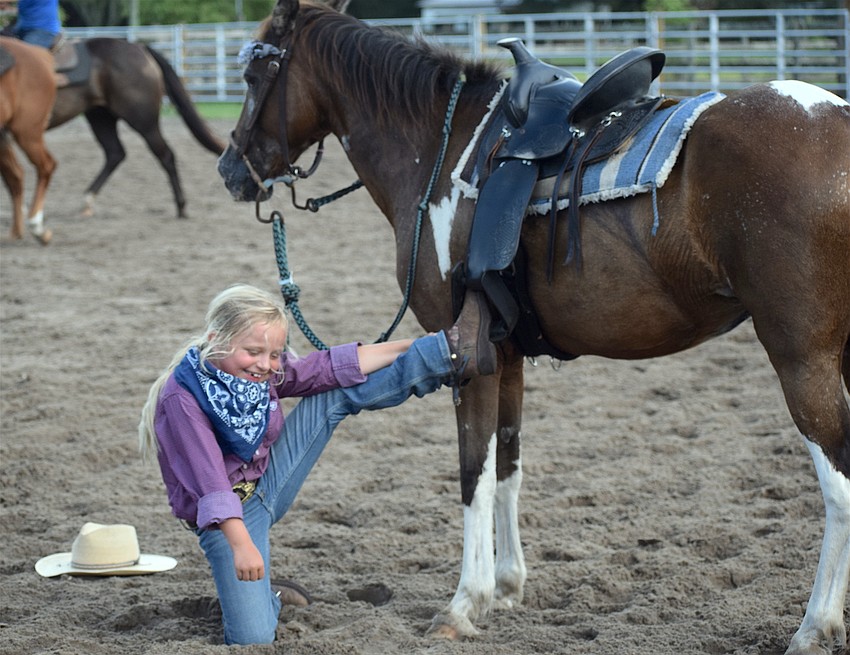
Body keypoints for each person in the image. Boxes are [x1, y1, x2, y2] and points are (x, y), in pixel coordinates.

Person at [138, 283, 495, 645]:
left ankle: (442, 358)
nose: (265, 365)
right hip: (225, 522)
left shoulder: (260, 373)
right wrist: (243, 545)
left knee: (330, 392)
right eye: (253, 352)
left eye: (275, 354)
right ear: (218, 339)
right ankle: (267, 596)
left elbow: (324, 367)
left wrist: (417, 346)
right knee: (253, 638)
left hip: (268, 484)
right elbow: (212, 484)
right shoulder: (182, 399)